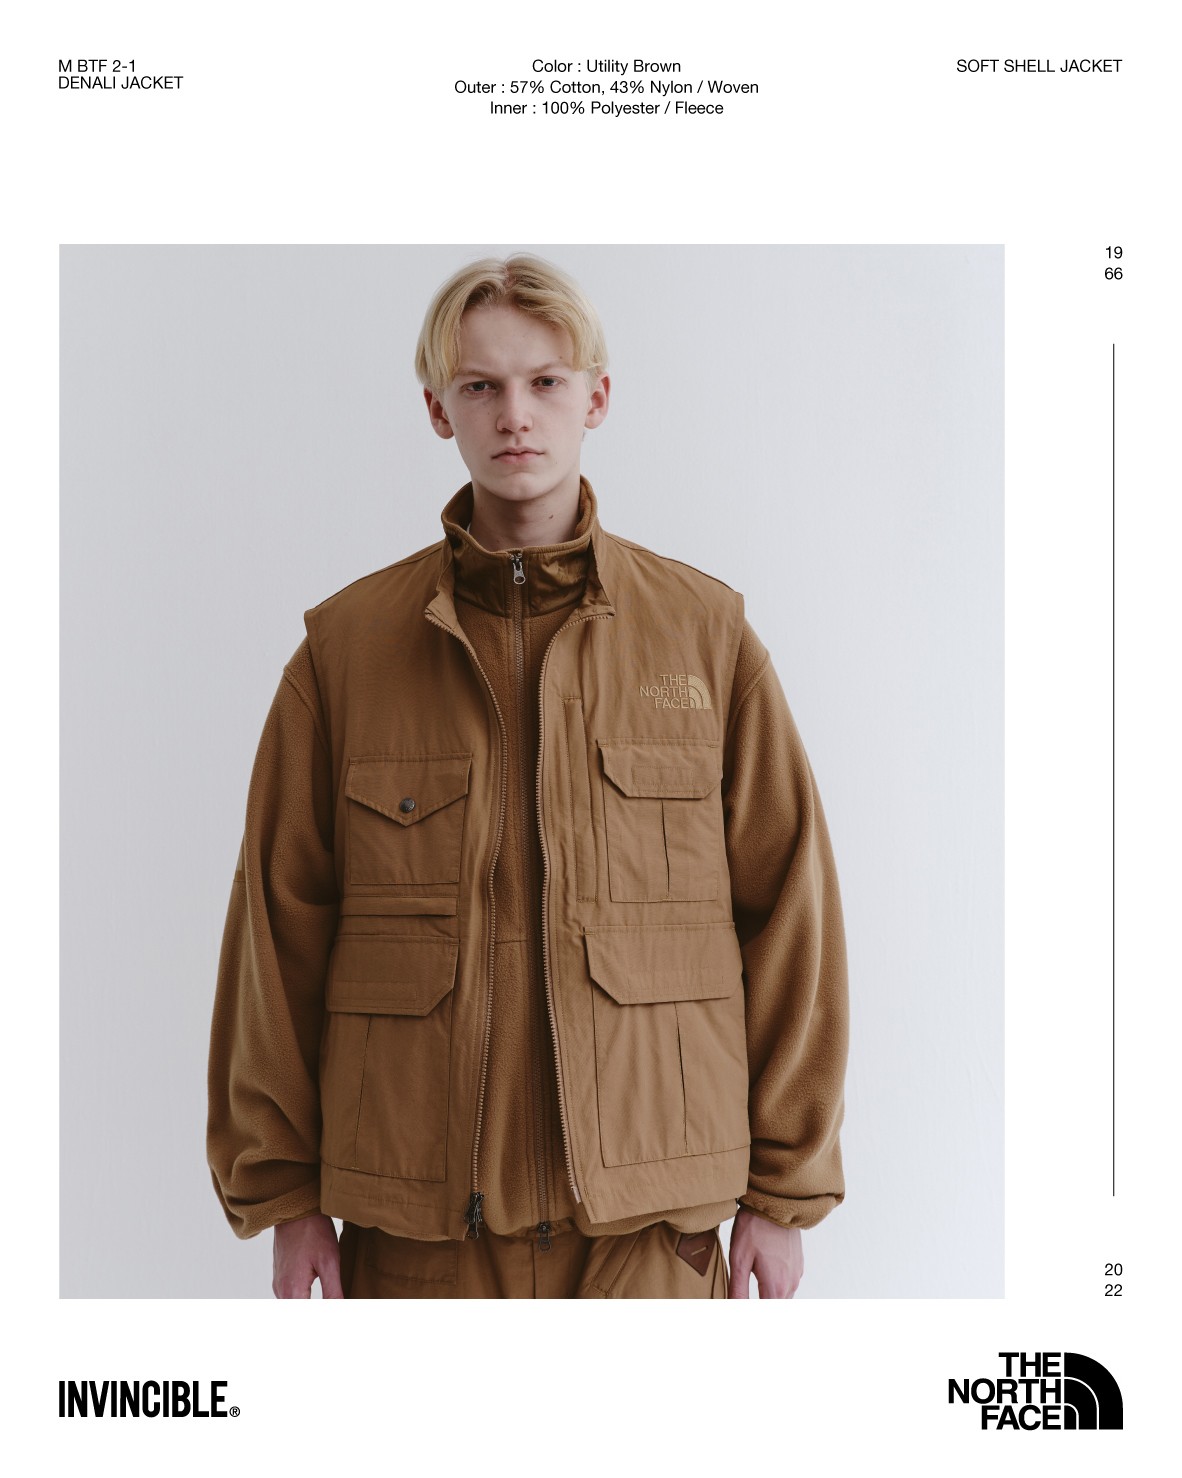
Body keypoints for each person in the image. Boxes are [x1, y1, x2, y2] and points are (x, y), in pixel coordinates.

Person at [206, 253, 848, 1299]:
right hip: (419, 1240)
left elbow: (792, 917)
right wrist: (284, 1196)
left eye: (546, 381)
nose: (515, 415)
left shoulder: (706, 638)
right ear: (438, 409)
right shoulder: (345, 655)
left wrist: (783, 1190)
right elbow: (276, 935)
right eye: (481, 386)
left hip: (651, 1235)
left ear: (597, 397)